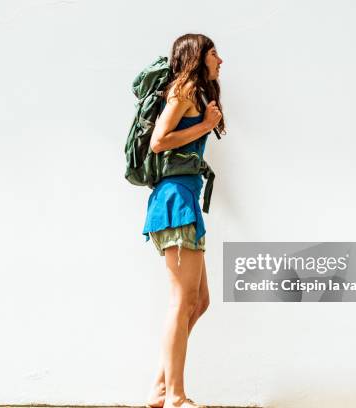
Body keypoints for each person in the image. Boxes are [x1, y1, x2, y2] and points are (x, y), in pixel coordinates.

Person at [142, 33, 225, 408]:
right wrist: (205, 125)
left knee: (199, 300)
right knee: (182, 301)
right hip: (174, 201)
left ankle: (161, 387)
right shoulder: (184, 91)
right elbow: (159, 141)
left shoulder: (196, 94)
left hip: (186, 199)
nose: (220, 60)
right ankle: (175, 396)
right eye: (213, 53)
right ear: (197, 56)